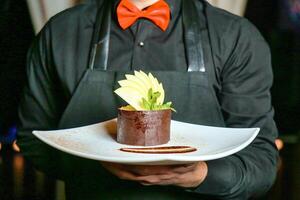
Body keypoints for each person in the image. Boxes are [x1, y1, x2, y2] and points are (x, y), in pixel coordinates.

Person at [18, 0, 279, 199]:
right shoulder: (60, 32)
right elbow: (33, 137)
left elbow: (260, 159)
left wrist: (199, 175)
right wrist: (97, 166)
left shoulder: (235, 36)